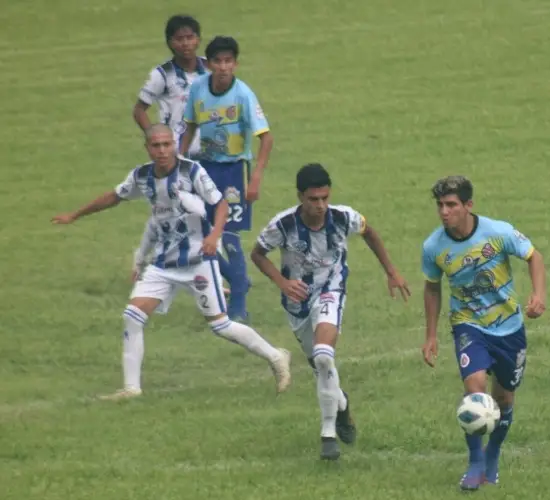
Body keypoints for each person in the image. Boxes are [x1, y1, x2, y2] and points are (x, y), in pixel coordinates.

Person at [51, 124, 291, 400]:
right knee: (132, 316)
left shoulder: (192, 171)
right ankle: (131, 388)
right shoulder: (141, 176)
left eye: (167, 144)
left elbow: (221, 203)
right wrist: (75, 215)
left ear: (174, 145)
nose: (162, 150)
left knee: (220, 325)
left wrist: (214, 235)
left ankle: (276, 356)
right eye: (156, 146)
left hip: (199, 259)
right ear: (148, 149)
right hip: (164, 262)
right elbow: (113, 197)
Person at [250, 163, 410, 460]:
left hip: (330, 292)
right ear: (300, 197)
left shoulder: (343, 217)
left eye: (325, 197)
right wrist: (282, 282)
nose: (321, 205)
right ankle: (342, 405)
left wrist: (392, 272)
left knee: (324, 355)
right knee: (319, 366)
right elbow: (257, 254)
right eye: (313, 199)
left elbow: (370, 233)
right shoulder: (282, 225)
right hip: (297, 303)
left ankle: (328, 434)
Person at [420, 175, 547, 490]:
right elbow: (432, 288)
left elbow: (534, 256)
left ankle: (493, 455)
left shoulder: (498, 232)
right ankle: (475, 461)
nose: (444, 212)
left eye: (451, 205)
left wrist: (538, 294)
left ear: (468, 205)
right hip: (468, 324)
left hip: (509, 328)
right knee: (475, 387)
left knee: (503, 399)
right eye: (440, 205)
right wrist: (431, 335)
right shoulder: (434, 246)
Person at [180, 35, 273, 322]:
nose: (223, 67)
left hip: (234, 171)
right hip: (203, 168)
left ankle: (239, 303)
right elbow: (190, 127)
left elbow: (266, 138)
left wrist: (255, 177)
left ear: (235, 63)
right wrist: (179, 164)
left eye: (228, 61)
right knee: (196, 231)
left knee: (228, 234)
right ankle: (238, 279)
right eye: (218, 62)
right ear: (208, 64)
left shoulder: (243, 94)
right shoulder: (198, 89)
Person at [133, 14, 207, 157]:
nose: (185, 43)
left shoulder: (211, 68)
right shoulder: (162, 74)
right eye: (179, 39)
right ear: (169, 42)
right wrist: (157, 139)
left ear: (198, 40)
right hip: (177, 154)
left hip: (211, 152)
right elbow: (139, 111)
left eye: (190, 37)